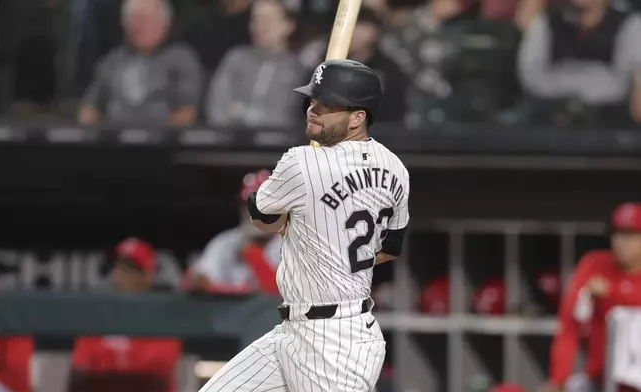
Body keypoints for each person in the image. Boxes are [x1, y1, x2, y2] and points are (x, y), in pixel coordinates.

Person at [199, 59, 410, 391]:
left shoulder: (302, 161)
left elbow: (259, 216)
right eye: (313, 100)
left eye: (328, 105)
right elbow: (390, 248)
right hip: (301, 328)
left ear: (358, 118)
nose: (313, 109)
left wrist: (296, 226)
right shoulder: (395, 167)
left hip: (333, 345)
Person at [539, 203, 641, 392]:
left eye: (631, 235)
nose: (621, 242)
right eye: (617, 234)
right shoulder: (595, 264)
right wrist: (558, 379)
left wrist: (612, 294)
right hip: (600, 379)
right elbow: (569, 323)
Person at [68, 237, 182, 392]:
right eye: (117, 268)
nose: (118, 276)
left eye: (128, 270)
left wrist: (108, 361)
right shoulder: (97, 318)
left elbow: (154, 379)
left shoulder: (162, 320)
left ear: (147, 277)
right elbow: (79, 374)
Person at [77, 0, 203, 127]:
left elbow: (187, 112)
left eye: (147, 20)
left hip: (162, 141)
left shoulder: (181, 58)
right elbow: (89, 106)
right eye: (133, 19)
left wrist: (158, 138)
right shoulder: (113, 59)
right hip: (114, 141)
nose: (139, 26)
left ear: (165, 24)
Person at [205, 0, 306, 128]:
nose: (259, 27)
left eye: (267, 20)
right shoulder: (235, 58)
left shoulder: (297, 70)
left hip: (276, 145)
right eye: (255, 20)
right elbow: (216, 107)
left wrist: (243, 114)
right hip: (229, 142)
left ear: (288, 26)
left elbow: (284, 119)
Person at [182, 169, 282, 295]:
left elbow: (284, 292)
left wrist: (253, 256)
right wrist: (199, 281)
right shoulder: (225, 242)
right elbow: (195, 280)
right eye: (247, 204)